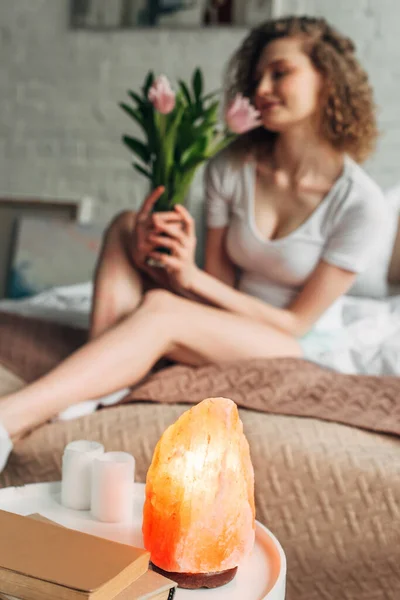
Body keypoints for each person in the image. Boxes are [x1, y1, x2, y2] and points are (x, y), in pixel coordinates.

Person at [0, 15, 388, 471]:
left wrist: (189, 280)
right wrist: (176, 261)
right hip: (225, 317)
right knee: (127, 223)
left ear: (328, 79)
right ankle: (101, 377)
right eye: (257, 75)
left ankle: (11, 416)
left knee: (161, 309)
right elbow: (219, 284)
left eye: (280, 72)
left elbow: (295, 323)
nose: (262, 87)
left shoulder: (360, 203)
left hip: (297, 342)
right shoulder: (232, 168)